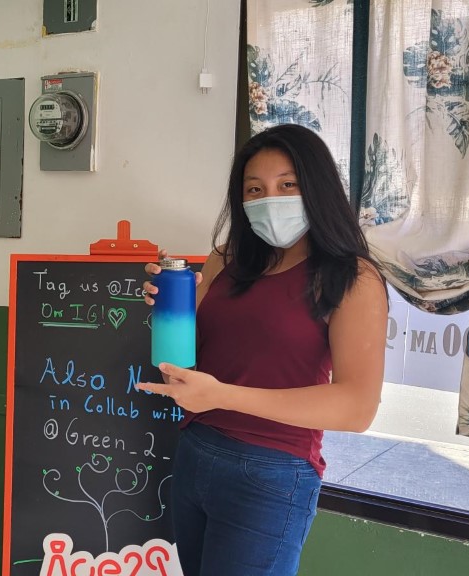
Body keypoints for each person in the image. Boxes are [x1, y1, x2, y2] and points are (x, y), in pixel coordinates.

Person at [136, 124, 387, 575]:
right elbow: (194, 364)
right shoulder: (226, 259)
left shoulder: (352, 278)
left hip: (273, 473)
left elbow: (357, 407)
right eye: (254, 189)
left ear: (316, 187)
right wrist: (176, 309)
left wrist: (223, 396)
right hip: (195, 453)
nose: (269, 199)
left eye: (287, 185)